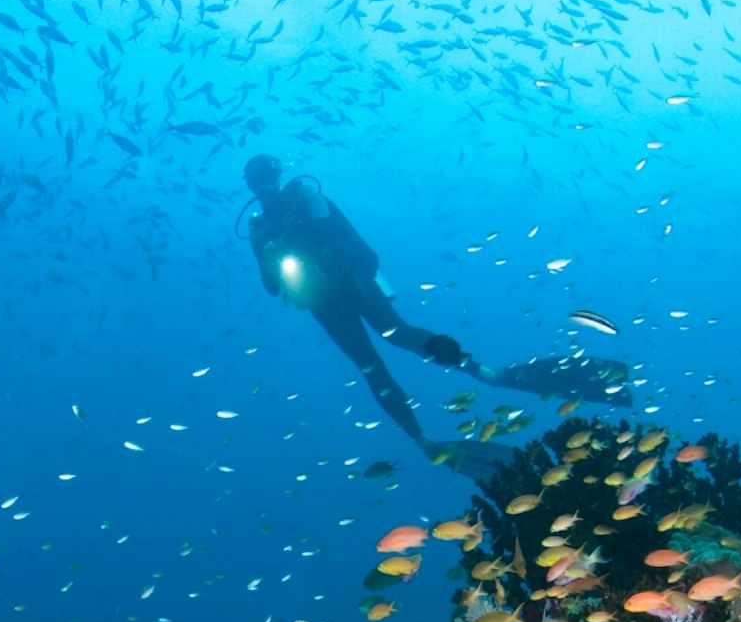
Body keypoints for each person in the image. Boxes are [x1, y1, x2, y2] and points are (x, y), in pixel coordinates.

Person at [240, 155, 628, 481]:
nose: (265, 186)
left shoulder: (305, 196)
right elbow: (272, 287)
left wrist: (314, 236)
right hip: (322, 299)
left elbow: (347, 236)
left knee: (397, 336)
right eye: (257, 181)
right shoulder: (260, 229)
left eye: (267, 177)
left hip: (350, 280)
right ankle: (422, 436)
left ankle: (486, 374)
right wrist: (271, 254)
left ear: (277, 174)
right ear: (251, 186)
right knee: (370, 364)